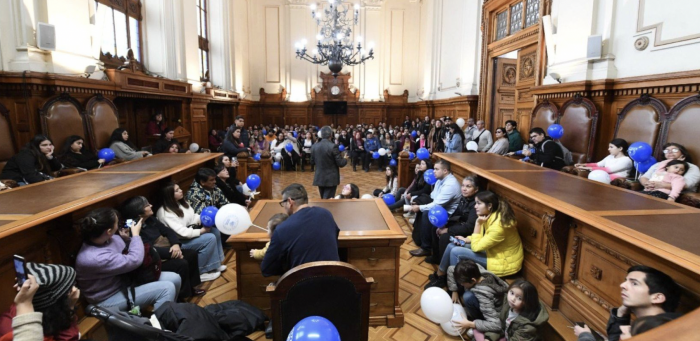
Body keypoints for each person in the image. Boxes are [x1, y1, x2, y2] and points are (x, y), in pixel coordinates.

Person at [75, 208, 181, 311]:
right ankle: (162, 326)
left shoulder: (108, 238)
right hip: (107, 297)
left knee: (175, 278)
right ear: (109, 231)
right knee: (166, 288)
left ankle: (168, 314)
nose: (119, 225)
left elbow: (125, 251)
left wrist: (126, 239)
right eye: (117, 223)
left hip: (125, 282)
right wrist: (136, 235)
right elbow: (134, 260)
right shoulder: (93, 258)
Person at [429, 190, 524, 287]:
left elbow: (476, 247)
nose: (475, 206)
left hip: (503, 262)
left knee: (456, 251)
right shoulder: (489, 215)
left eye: (478, 203)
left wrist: (478, 224)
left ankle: (456, 287)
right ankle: (440, 275)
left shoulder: (498, 226)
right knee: (451, 245)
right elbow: (483, 237)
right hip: (493, 251)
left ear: (489, 205)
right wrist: (467, 239)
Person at [120, 196, 205, 299]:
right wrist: (173, 253)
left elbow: (167, 230)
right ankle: (181, 295)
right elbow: (149, 250)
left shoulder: (149, 219)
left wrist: (176, 245)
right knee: (181, 264)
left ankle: (192, 287)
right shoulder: (133, 228)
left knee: (191, 254)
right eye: (147, 205)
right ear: (139, 213)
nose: (151, 205)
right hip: (153, 260)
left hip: (167, 249)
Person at [577, 266, 681, 341]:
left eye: (634, 283)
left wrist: (585, 337)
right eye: (626, 281)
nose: (622, 285)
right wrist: (621, 314)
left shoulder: (659, 333)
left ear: (657, 297)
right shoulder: (651, 324)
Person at [261, 184, 340, 276]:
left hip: (303, 285)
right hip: (334, 280)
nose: (284, 208)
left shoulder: (282, 229)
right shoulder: (326, 214)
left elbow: (266, 269)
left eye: (283, 203)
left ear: (290, 202)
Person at [157, 183, 225, 281]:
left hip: (188, 233)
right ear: (169, 195)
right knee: (209, 238)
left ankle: (215, 264)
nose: (180, 190)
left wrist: (202, 219)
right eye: (176, 190)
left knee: (215, 231)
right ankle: (201, 271)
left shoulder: (181, 203)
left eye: (179, 188)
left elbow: (193, 216)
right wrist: (201, 231)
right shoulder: (165, 213)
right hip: (179, 241)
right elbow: (181, 232)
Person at [0, 263, 80, 341]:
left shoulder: (15, 311)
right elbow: (70, 338)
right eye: (71, 287)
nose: (75, 290)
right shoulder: (32, 335)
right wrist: (69, 309)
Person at [408, 160, 462, 258]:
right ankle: (419, 238)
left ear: (445, 171)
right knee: (422, 202)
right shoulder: (440, 180)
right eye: (434, 169)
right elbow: (433, 196)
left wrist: (419, 207)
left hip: (448, 213)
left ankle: (426, 248)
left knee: (425, 213)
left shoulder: (450, 184)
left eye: (436, 169)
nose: (433, 172)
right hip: (440, 208)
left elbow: (437, 204)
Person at [445, 259, 509, 338]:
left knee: (467, 297)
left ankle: (476, 320)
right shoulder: (477, 269)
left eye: (463, 283)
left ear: (473, 280)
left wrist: (472, 324)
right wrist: (454, 290)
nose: (461, 284)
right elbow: (451, 269)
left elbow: (496, 325)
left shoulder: (484, 295)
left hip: (494, 312)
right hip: (492, 302)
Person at [427, 176, 481, 266]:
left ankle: (443, 266)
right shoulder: (464, 198)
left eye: (468, 186)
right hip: (459, 226)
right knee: (435, 228)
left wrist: (447, 230)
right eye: (463, 186)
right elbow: (456, 214)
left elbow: (469, 228)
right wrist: (444, 225)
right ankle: (436, 257)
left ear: (476, 189)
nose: (464, 189)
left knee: (445, 237)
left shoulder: (476, 204)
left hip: (466, 236)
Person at [474, 279, 549, 341]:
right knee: (476, 330)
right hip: (508, 336)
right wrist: (489, 338)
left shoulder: (528, 326)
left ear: (527, 302)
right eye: (512, 293)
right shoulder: (509, 306)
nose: (512, 299)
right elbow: (501, 326)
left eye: (519, 298)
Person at [311, 126, 348, 199]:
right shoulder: (333, 146)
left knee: (323, 198)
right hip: (331, 178)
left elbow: (312, 162)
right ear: (331, 135)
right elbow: (340, 163)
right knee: (328, 201)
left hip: (319, 176)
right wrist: (345, 159)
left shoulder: (314, 146)